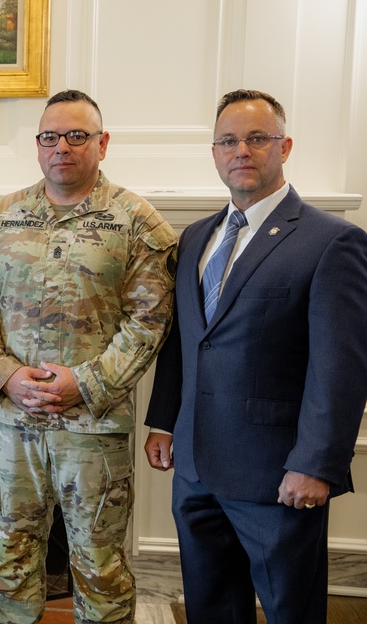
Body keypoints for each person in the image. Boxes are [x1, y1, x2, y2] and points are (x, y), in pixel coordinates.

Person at [144, 89, 367, 623]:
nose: (241, 150)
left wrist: (316, 464)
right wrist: (163, 422)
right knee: (211, 608)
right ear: (215, 152)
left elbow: (340, 369)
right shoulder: (196, 238)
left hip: (278, 477)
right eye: (228, 140)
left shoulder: (331, 241)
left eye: (256, 138)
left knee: (292, 611)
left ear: (284, 146)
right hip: (196, 470)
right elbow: (186, 340)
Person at [0, 90, 177, 624]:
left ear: (102, 144)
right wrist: (5, 375)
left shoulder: (134, 221)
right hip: (13, 426)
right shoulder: (1, 218)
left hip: (92, 430)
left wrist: (87, 384)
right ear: (37, 146)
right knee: (8, 559)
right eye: (50, 137)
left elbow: (150, 318)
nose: (63, 147)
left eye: (77, 136)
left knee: (99, 568)